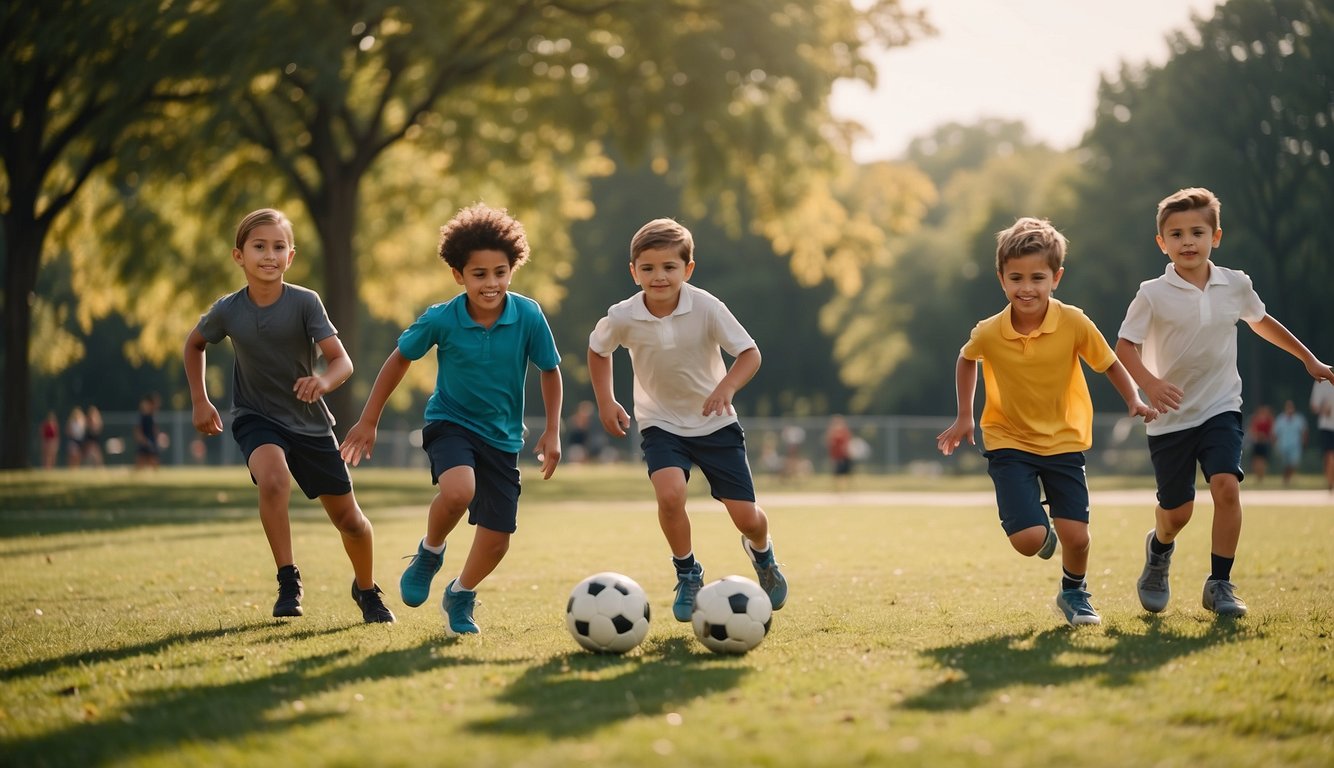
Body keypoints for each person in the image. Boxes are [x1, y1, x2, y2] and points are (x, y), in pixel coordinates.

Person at [340, 203, 562, 636]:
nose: (491, 283)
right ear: (459, 276)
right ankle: (431, 550)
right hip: (451, 422)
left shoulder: (529, 316)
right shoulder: (442, 318)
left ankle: (461, 594)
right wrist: (369, 420)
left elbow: (550, 370)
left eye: (500, 272)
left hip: (502, 438)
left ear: (512, 269)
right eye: (479, 274)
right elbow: (399, 359)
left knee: (497, 540)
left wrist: (552, 430)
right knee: (460, 490)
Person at [1115, 187, 1334, 618]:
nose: (1188, 241)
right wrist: (1150, 385)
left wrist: (1309, 358)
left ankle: (1220, 584)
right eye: (1176, 234)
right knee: (1177, 512)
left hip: (1220, 406)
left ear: (1217, 235)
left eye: (1198, 231)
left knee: (1226, 488)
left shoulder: (1235, 283)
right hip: (1170, 418)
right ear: (1162, 243)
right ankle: (1159, 551)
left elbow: (1261, 322)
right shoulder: (1152, 293)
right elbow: (1124, 347)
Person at [937, 216, 1156, 628]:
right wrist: (966, 415)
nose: (1026, 287)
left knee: (1077, 537)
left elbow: (1108, 363)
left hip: (1064, 441)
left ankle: (1074, 592)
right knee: (1029, 541)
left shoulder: (1073, 322)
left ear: (1056, 277)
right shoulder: (988, 331)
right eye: (1016, 277)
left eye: (1037, 277)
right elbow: (966, 359)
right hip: (1008, 440)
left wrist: (1134, 399)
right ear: (1001, 279)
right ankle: (1039, 528)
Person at [184, 208, 394, 624]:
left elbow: (341, 361)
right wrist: (199, 400)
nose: (269, 255)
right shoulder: (227, 310)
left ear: (290, 256)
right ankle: (288, 579)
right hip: (255, 415)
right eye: (258, 247)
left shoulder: (304, 302)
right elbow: (194, 345)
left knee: (351, 522)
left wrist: (323, 382)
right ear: (238, 256)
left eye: (278, 247)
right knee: (274, 478)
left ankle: (367, 591)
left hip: (310, 423)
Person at [587, 217, 788, 623]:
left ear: (687, 269)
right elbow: (597, 349)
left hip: (715, 423)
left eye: (669, 267)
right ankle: (687, 572)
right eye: (647, 268)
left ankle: (762, 553)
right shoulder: (623, 315)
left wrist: (726, 388)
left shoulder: (708, 307)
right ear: (633, 271)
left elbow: (750, 354)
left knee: (747, 519)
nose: (658, 276)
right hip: (659, 422)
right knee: (670, 495)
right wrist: (606, 401)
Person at [1271, 399, 1307, 487]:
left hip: (1295, 446)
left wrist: (1304, 441)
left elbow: (1304, 431)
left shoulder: (1299, 419)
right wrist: (1274, 444)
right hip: (1283, 445)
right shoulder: (1280, 419)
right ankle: (1286, 479)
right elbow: (1275, 432)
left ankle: (1288, 478)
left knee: (1294, 463)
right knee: (1286, 464)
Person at [1312, 380, 1334, 492]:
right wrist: (1323, 408)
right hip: (1328, 426)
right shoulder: (1322, 381)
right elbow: (1314, 406)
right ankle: (1330, 483)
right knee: (1329, 456)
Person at [1245, 404, 1274, 484]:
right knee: (1256, 461)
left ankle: (1261, 477)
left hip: (1264, 442)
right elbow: (1252, 430)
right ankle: (1257, 476)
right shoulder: (1255, 419)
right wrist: (1257, 436)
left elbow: (1271, 431)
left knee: (1263, 461)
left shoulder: (1269, 420)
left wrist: (1266, 437)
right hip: (1257, 442)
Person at [826, 414, 854, 492]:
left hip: (844, 455)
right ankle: (837, 489)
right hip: (836, 456)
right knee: (836, 473)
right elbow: (830, 443)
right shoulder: (832, 432)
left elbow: (848, 443)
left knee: (846, 472)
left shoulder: (845, 432)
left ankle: (846, 488)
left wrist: (849, 452)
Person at [134, 394, 161, 470]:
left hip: (151, 441)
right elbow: (138, 430)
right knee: (140, 462)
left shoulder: (152, 416)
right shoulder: (143, 416)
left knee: (153, 461)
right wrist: (143, 440)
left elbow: (154, 429)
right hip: (145, 441)